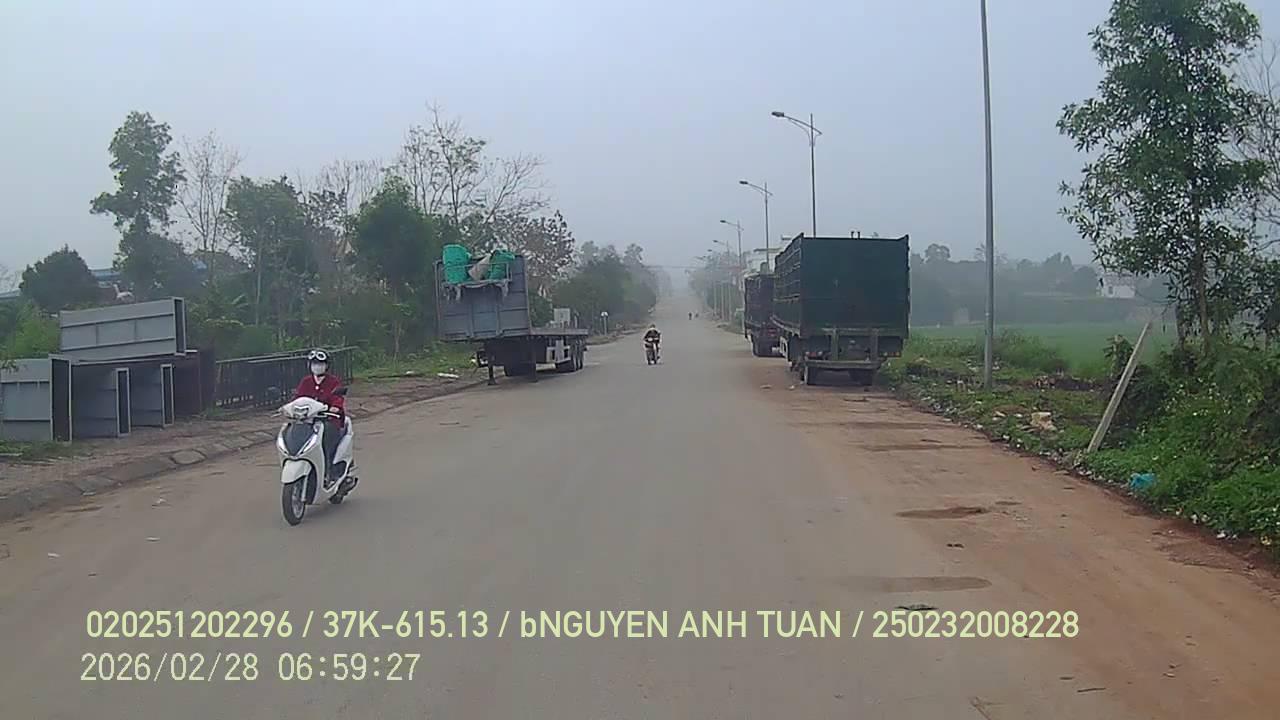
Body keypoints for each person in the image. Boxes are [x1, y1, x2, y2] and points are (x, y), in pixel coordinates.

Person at [293, 349, 346, 479]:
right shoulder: (306, 381)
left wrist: (335, 407)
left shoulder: (333, 381)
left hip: (329, 421)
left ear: (326, 366)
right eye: (314, 364)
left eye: (320, 364)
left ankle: (328, 471)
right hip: (308, 421)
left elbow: (337, 398)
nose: (317, 366)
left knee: (326, 441)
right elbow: (298, 398)